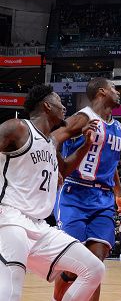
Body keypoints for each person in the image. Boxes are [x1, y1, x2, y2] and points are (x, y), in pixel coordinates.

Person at [0, 84, 105, 301]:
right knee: (11, 289)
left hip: (40, 226)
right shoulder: (18, 128)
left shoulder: (51, 142)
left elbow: (64, 170)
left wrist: (86, 145)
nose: (64, 107)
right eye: (59, 101)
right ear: (47, 106)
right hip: (11, 219)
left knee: (94, 269)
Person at [53, 78, 121, 301]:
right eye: (114, 88)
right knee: (72, 266)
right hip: (74, 195)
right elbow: (51, 139)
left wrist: (119, 193)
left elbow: (112, 163)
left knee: (94, 265)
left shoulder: (120, 128)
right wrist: (57, 168)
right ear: (101, 92)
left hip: (103, 199)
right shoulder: (82, 118)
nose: (118, 92)